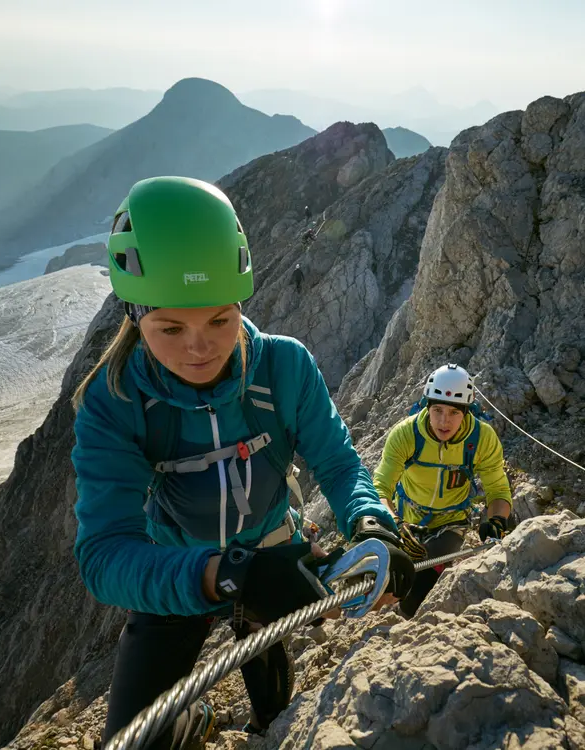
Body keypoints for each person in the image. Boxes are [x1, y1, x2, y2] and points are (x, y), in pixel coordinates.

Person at [70, 176, 415, 750]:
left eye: (219, 320)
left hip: (271, 549)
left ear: (239, 305)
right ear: (133, 316)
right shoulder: (114, 401)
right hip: (175, 566)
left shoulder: (284, 367)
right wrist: (225, 574)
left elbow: (338, 463)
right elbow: (104, 555)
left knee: (272, 700)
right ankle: (194, 720)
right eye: (170, 328)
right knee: (137, 740)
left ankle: (262, 728)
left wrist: (373, 524)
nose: (199, 347)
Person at [372, 364, 513, 619]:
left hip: (451, 523)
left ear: (466, 412)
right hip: (407, 521)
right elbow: (381, 487)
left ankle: (408, 620)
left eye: (453, 412)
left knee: (420, 587)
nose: (444, 421)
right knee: (395, 580)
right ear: (427, 406)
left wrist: (497, 521)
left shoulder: (481, 438)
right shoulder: (407, 434)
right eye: (437, 410)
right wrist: (395, 524)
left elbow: (498, 489)